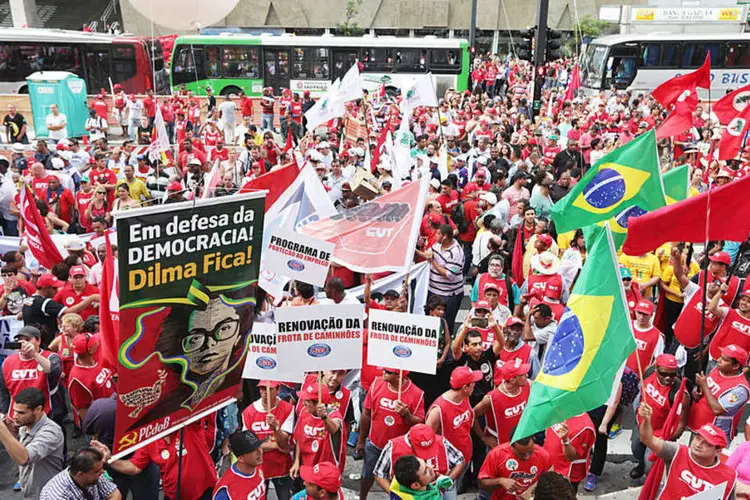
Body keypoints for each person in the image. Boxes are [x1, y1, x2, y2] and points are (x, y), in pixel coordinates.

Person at [97, 418, 218, 500]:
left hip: (205, 492)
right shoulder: (150, 440)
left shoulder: (190, 426)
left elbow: (196, 407)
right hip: (174, 496)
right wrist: (109, 459)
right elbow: (134, 467)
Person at [638, 402, 737, 499]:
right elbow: (647, 439)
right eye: (698, 438)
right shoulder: (676, 452)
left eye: (707, 443)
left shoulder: (728, 477)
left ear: (718, 451)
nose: (698, 444)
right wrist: (646, 421)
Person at [357, 369, 425, 500]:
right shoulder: (376, 384)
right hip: (375, 444)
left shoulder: (417, 393)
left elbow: (419, 423)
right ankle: (362, 497)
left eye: (388, 371)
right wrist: (361, 440)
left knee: (400, 482)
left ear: (399, 376)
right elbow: (366, 414)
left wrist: (406, 415)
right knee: (367, 475)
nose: (383, 372)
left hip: (399, 451)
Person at [630, 353, 689, 480]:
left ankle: (650, 483)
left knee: (650, 464)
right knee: (636, 450)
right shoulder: (648, 371)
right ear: (656, 368)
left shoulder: (680, 393)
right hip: (642, 423)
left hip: (659, 434)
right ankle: (640, 464)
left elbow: (682, 423)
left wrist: (667, 441)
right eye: (663, 374)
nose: (668, 378)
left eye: (672, 374)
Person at [0, 387, 64, 499]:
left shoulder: (51, 432)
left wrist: (2, 431)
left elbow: (24, 458)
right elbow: (19, 451)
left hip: (48, 495)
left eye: (21, 412)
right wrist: (12, 433)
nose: (15, 416)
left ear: (38, 410)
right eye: (15, 411)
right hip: (30, 493)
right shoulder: (24, 427)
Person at [425, 366, 479, 490]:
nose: (475, 384)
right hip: (448, 464)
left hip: (465, 456)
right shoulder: (438, 411)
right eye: (472, 383)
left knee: (456, 488)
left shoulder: (465, 397)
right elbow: (427, 441)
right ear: (465, 387)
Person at [373, 424, 464, 495]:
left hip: (442, 492)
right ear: (410, 442)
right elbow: (379, 474)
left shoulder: (442, 442)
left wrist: (447, 480)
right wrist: (395, 494)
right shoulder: (393, 447)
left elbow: (460, 460)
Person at [687, 344, 750, 445]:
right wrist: (699, 393)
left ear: (736, 366)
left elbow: (717, 410)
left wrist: (704, 386)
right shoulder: (717, 370)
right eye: (720, 356)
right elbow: (708, 392)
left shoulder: (740, 390)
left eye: (724, 359)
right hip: (698, 426)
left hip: (715, 436)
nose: (719, 360)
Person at [241, 380, 293, 500]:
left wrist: (276, 428)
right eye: (262, 388)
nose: (264, 392)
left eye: (269, 389)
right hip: (259, 468)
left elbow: (284, 443)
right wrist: (275, 446)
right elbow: (249, 445)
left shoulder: (288, 409)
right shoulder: (248, 412)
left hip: (282, 468)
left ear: (278, 390)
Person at [24, 273, 96, 348]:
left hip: (32, 339)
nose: (57, 290)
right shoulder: (44, 302)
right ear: (45, 288)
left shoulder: (29, 300)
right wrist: (91, 299)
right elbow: (69, 312)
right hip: (42, 342)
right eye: (54, 288)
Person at [416, 224, 465, 335]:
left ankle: (446, 343)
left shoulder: (456, 253)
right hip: (433, 291)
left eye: (438, 234)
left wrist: (433, 261)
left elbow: (448, 274)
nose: (436, 235)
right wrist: (416, 250)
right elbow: (428, 255)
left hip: (448, 295)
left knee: (445, 323)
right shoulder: (437, 245)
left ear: (445, 237)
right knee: (430, 320)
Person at [478, 434, 551, 500]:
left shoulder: (543, 455)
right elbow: (482, 483)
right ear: (512, 446)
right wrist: (500, 481)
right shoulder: (496, 454)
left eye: (530, 452)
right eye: (521, 454)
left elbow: (549, 479)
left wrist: (531, 490)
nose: (526, 457)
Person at [67, 333, 115, 422]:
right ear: (90, 350)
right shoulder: (77, 379)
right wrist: (95, 431)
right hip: (103, 420)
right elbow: (82, 411)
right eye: (94, 343)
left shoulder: (98, 359)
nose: (97, 343)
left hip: (114, 409)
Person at [39, 447, 121, 500]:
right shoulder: (57, 495)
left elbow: (115, 494)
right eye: (97, 471)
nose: (102, 472)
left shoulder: (95, 473)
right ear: (80, 474)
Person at [542, 414, 596, 493]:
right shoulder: (559, 410)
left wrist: (565, 440)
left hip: (565, 476)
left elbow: (571, 457)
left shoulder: (585, 427)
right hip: (549, 468)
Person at [212, 430, 266, 500]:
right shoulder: (226, 489)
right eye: (253, 450)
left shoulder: (257, 465)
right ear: (241, 458)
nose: (260, 451)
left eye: (259, 446)